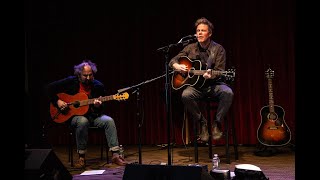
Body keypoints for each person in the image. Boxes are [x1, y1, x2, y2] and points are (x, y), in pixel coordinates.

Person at [46, 60, 127, 168]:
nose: (88, 78)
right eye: (85, 75)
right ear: (79, 75)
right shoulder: (71, 81)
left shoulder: (98, 86)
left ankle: (115, 155)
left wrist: (97, 106)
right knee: (82, 121)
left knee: (109, 120)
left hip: (92, 116)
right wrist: (57, 101)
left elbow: (101, 109)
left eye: (90, 75)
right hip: (73, 117)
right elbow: (48, 88)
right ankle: (81, 157)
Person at [169, 17, 234, 142]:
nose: (199, 33)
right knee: (186, 95)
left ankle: (216, 122)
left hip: (214, 85)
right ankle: (202, 123)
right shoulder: (190, 48)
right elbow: (173, 60)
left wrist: (211, 75)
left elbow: (220, 70)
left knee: (228, 92)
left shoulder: (218, 49)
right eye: (198, 30)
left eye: (203, 30)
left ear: (209, 33)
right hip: (196, 87)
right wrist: (176, 66)